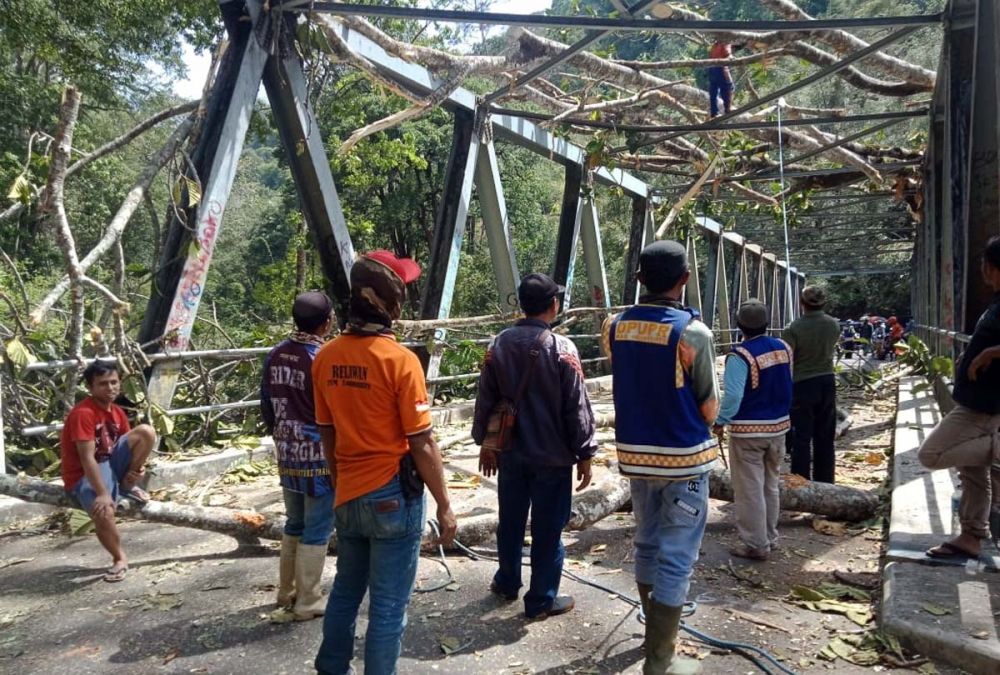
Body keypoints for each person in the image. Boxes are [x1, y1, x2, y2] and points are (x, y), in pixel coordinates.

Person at [313, 250, 457, 675]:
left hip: (349, 493)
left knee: (345, 593)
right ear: (392, 302)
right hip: (393, 495)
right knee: (389, 607)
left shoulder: (326, 356)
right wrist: (445, 503)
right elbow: (421, 442)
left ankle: (332, 668)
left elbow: (327, 432)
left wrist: (343, 483)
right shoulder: (401, 361)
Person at [605, 240, 720, 675]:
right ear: (684, 280)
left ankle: (651, 632)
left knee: (647, 542)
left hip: (637, 456)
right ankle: (659, 661)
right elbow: (708, 403)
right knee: (677, 555)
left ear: (638, 280)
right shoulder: (693, 333)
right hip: (684, 458)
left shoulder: (615, 326)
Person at [472, 273, 598, 619]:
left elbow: (485, 398)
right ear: (553, 305)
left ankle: (507, 581)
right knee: (548, 529)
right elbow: (577, 406)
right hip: (553, 458)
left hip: (511, 452)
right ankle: (541, 598)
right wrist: (585, 453)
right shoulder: (563, 349)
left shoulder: (498, 344)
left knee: (510, 521)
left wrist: (486, 442)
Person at [919, 235, 1000, 560]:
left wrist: (992, 353)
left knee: (931, 454)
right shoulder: (996, 302)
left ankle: (996, 450)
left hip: (981, 406)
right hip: (980, 398)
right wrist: (971, 355)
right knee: (971, 472)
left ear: (991, 267)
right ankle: (972, 535)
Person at [261, 291, 335, 620]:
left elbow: (266, 405)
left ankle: (285, 590)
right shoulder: (322, 356)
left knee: (294, 522)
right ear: (327, 322)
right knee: (318, 528)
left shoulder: (275, 353)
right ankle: (308, 600)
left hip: (287, 452)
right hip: (317, 454)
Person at [60, 360, 157, 582]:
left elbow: (128, 445)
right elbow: (87, 459)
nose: (110, 388)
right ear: (91, 387)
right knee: (103, 510)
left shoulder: (117, 412)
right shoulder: (83, 413)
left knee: (146, 432)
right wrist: (103, 494)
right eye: (103, 384)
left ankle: (126, 486)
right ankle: (119, 558)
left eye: (114, 382)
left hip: (110, 465)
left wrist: (135, 471)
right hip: (85, 474)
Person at [714, 300, 793, 561]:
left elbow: (734, 395)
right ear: (767, 322)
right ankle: (770, 537)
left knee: (749, 489)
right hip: (779, 427)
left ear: (739, 325)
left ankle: (755, 544)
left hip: (749, 431)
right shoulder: (783, 348)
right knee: (770, 485)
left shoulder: (740, 355)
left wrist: (720, 421)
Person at [783, 286, 841, 484]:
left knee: (801, 437)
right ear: (824, 303)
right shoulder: (833, 325)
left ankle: (800, 483)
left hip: (802, 384)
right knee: (825, 436)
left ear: (802, 303)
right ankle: (826, 482)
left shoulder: (793, 329)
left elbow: (787, 358)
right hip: (827, 381)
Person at [707, 40, 734, 117]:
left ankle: (714, 112)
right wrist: (731, 57)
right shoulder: (725, 43)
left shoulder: (714, 45)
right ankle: (727, 109)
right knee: (728, 87)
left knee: (714, 92)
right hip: (721, 69)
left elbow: (710, 57)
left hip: (712, 69)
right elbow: (728, 54)